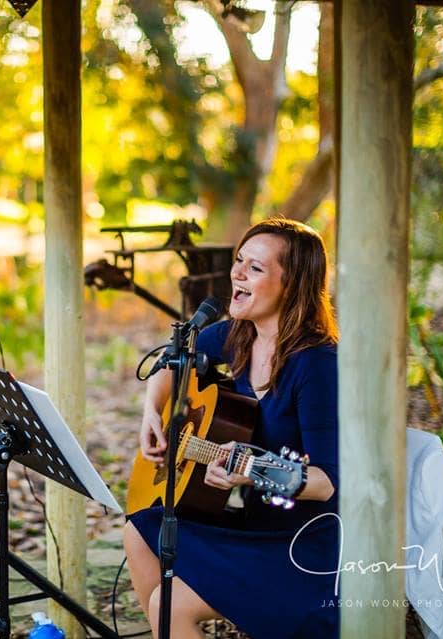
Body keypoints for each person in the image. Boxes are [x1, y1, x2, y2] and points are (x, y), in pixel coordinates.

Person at [123, 218, 341, 639]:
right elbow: (172, 361)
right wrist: (152, 411)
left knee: (168, 604)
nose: (236, 273)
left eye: (254, 268)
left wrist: (252, 470)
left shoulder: (317, 364)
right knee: (140, 531)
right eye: (239, 260)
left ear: (292, 284)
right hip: (254, 523)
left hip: (305, 546)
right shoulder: (239, 335)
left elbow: (327, 483)